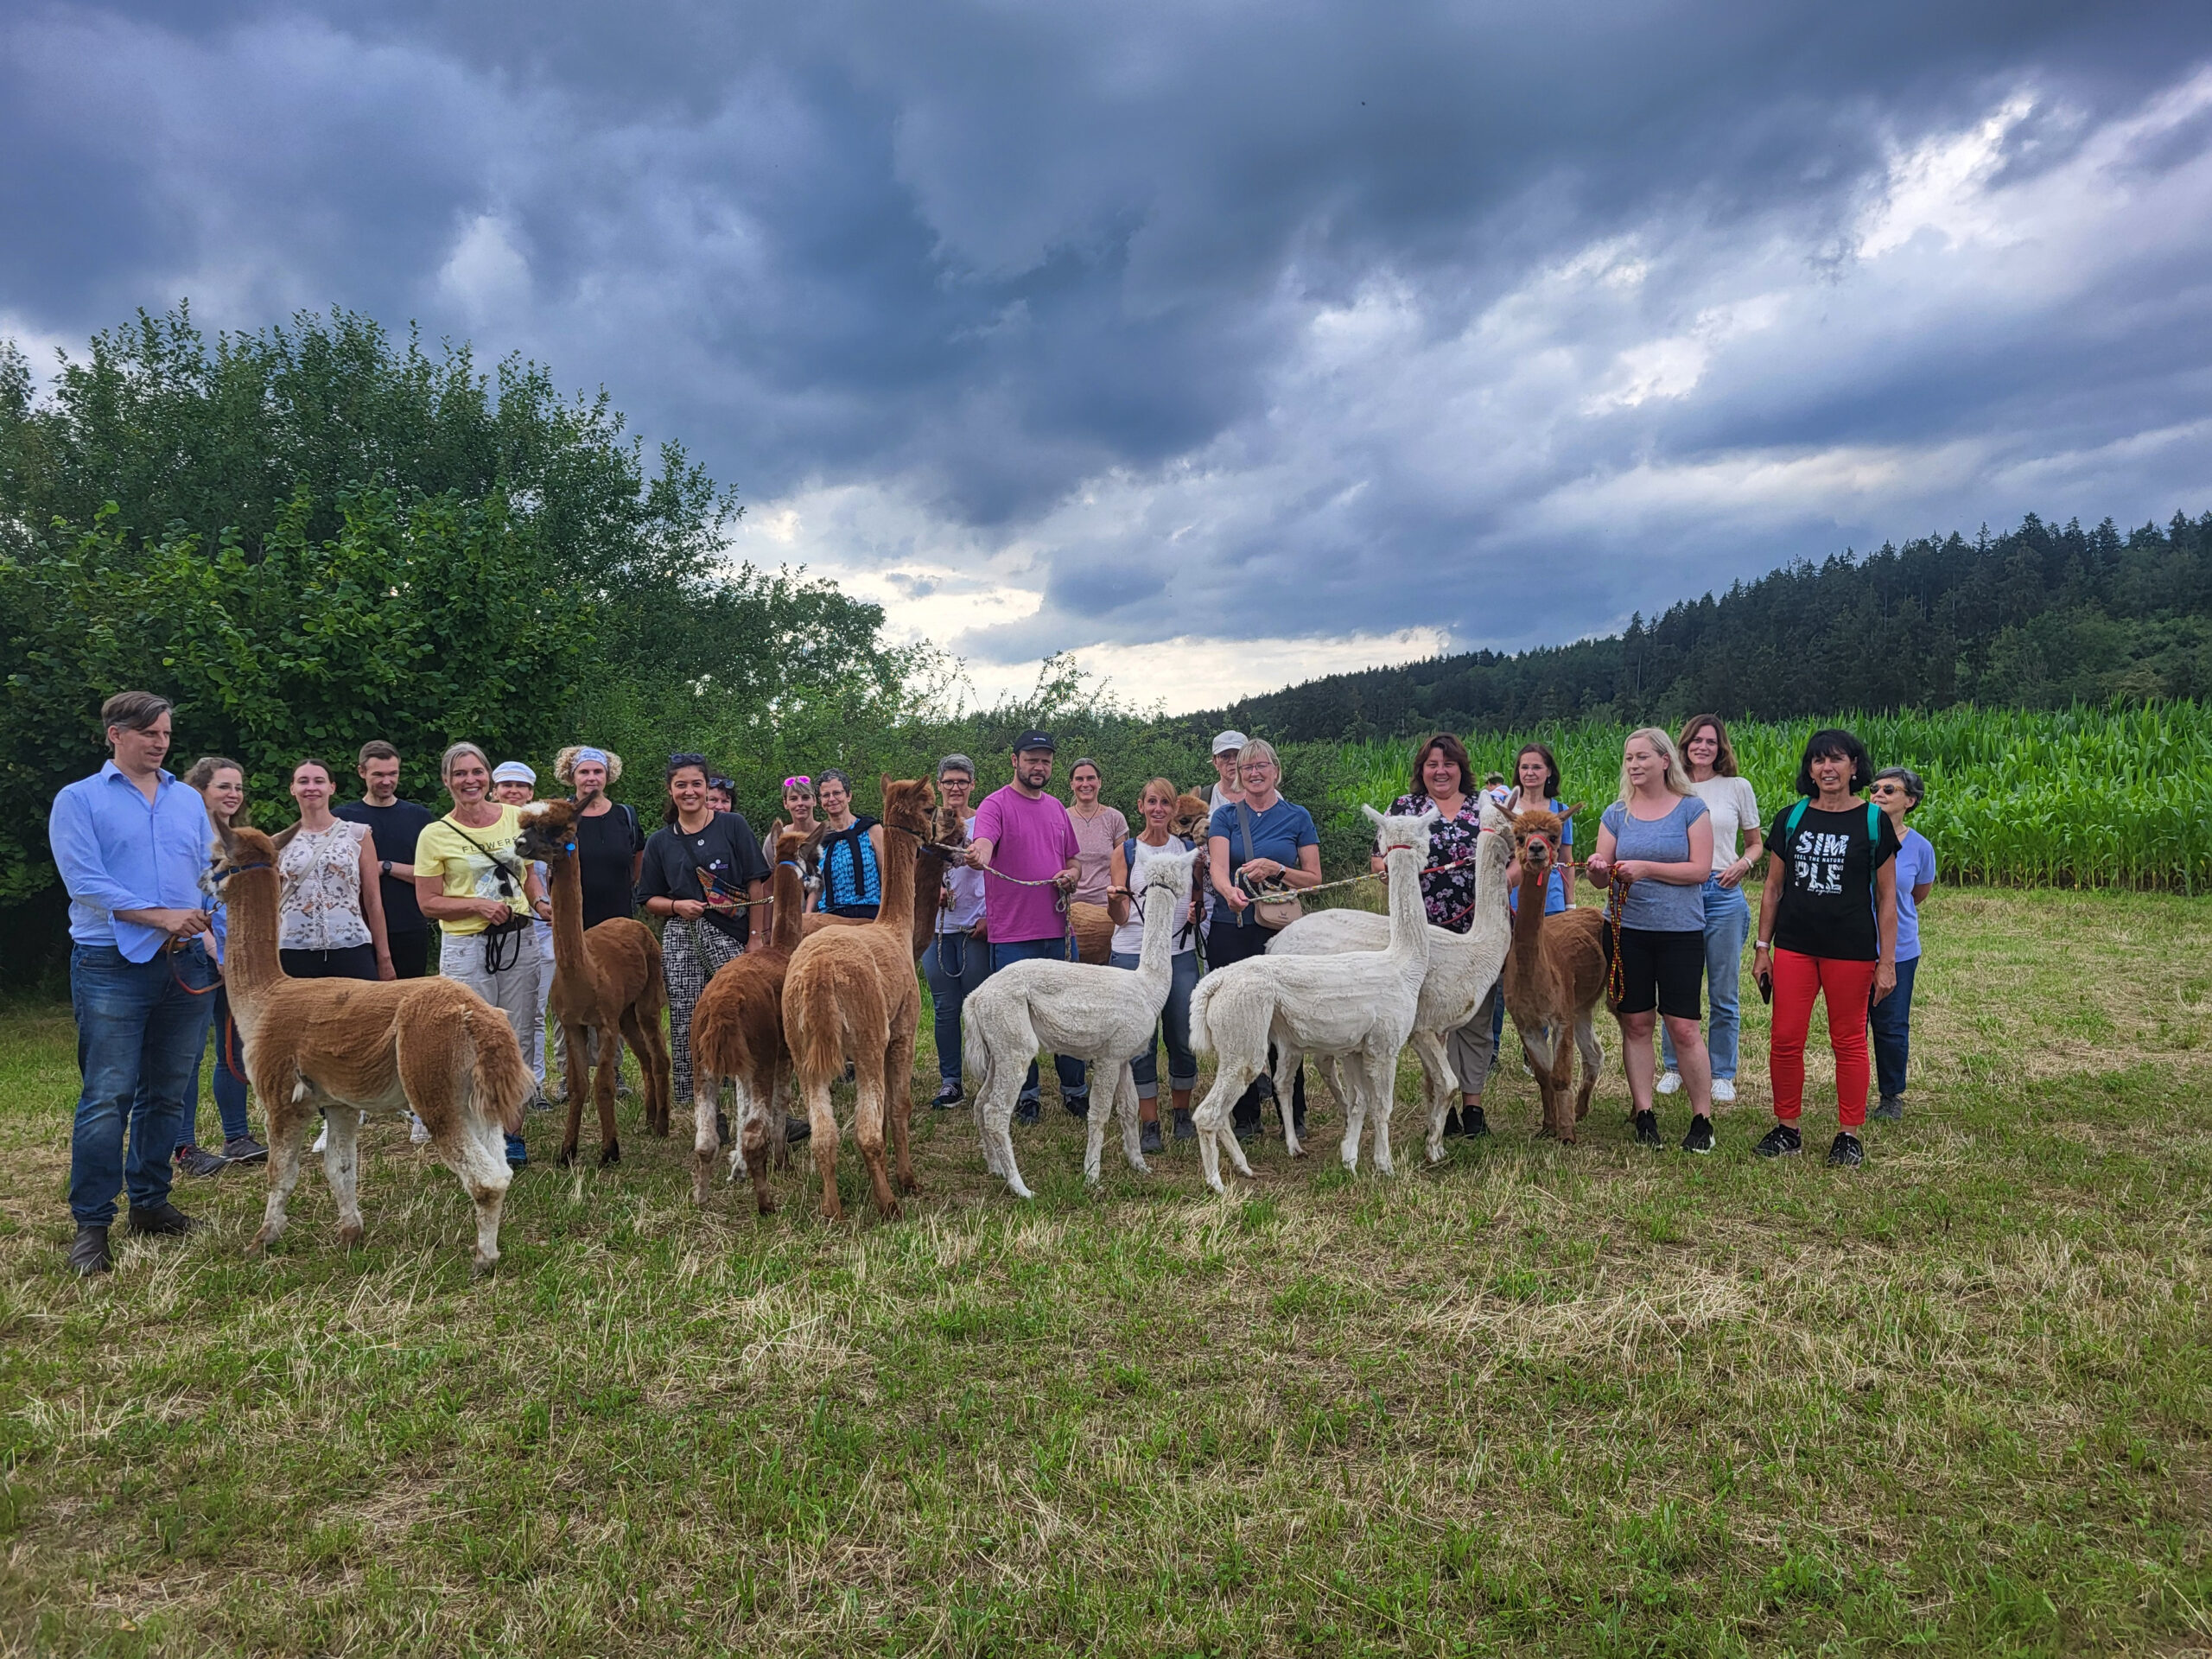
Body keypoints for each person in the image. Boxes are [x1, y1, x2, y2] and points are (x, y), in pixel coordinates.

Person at [48, 691, 219, 1274]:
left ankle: (150, 1203)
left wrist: (213, 934)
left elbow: (206, 875)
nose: (160, 742)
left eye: (166, 733)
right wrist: (159, 914)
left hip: (186, 961)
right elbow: (85, 882)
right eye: (149, 733)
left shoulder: (188, 801)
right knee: (108, 1096)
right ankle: (92, 1224)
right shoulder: (79, 800)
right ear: (115, 735)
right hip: (110, 964)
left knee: (168, 1092)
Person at [1752, 728, 1900, 1167]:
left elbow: (1887, 898)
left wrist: (1887, 962)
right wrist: (1763, 948)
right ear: (1810, 769)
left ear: (1855, 767)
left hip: (1851, 950)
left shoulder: (1873, 822)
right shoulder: (1792, 818)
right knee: (1784, 1038)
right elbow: (1773, 888)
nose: (1827, 768)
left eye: (1837, 759)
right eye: (1818, 760)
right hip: (1796, 946)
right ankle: (1787, 1128)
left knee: (1849, 1041)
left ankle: (1848, 1134)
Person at [412, 742, 546, 1168]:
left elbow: (526, 875)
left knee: (517, 1036)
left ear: (488, 776)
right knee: (466, 1041)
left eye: (477, 772)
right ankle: (472, 1134)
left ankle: (511, 1134)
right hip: (468, 948)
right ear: (447, 781)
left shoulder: (513, 817)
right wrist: (475, 905)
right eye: (460, 774)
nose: (470, 780)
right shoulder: (435, 835)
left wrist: (541, 903)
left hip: (519, 941)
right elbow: (428, 902)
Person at [1586, 728, 1718, 1154]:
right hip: (1626, 931)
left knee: (1683, 1026)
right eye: (1628, 758)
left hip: (1680, 932)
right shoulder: (1616, 814)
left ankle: (1702, 1118)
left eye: (1643, 757)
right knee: (1637, 1022)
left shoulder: (1690, 811)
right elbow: (1598, 877)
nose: (1634, 765)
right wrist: (1597, 869)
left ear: (1665, 761)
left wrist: (1645, 868)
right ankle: (1644, 1113)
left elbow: (1700, 870)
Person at [638, 753, 770, 1118]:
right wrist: (676, 906)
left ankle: (757, 1101)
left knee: (745, 1013)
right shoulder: (660, 842)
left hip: (732, 932)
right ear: (670, 790)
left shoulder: (733, 826)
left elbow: (755, 882)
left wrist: (756, 936)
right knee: (688, 1017)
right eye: (681, 785)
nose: (689, 791)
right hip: (682, 934)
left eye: (696, 783)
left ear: (706, 786)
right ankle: (703, 1108)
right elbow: (648, 898)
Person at [1206, 737, 1322, 1141]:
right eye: (1247, 767)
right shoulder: (1224, 817)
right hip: (1231, 926)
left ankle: (1295, 1108)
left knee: (1286, 1021)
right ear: (1238, 774)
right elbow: (1219, 867)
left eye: (1262, 766)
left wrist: (1277, 868)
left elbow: (1313, 878)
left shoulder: (1297, 817)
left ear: (1275, 770)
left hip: (1281, 932)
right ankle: (1246, 1117)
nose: (1254, 773)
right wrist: (1228, 892)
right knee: (1238, 1022)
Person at [1382, 734, 1498, 1139]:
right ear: (1422, 770)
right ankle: (1440, 1101)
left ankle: (1474, 1105)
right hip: (1421, 930)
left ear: (1461, 768)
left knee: (1476, 1016)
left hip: (1474, 926)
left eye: (1448, 764)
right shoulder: (1405, 808)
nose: (1440, 771)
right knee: (1433, 1020)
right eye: (1432, 764)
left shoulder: (1480, 810)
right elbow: (1380, 855)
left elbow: (1505, 859)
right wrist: (1388, 866)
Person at [967, 731, 1085, 1122]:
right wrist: (978, 854)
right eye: (1032, 759)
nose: (1039, 767)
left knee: (1069, 1015)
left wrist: (1071, 875)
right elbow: (984, 842)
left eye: (1046, 761)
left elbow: (1074, 861)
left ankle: (1075, 1091)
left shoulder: (1056, 809)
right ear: (1014, 761)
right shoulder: (994, 804)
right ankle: (1027, 1095)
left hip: (1058, 931)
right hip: (1013, 934)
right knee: (1017, 1022)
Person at [1657, 715, 1764, 1105]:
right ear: (1683, 746)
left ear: (1721, 749)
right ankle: (1674, 1066)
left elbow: (1755, 843)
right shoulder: (1672, 788)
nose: (1703, 747)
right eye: (1696, 741)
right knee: (1676, 986)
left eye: (1712, 742)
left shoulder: (1737, 787)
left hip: (1722, 891)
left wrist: (1744, 864)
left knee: (1723, 990)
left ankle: (1722, 1072)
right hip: (1680, 892)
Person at [174, 757, 266, 1177]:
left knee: (234, 1047)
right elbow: (190, 901)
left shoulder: (242, 841)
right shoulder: (186, 838)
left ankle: (237, 1135)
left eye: (238, 787)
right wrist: (213, 949)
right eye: (223, 786)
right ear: (200, 789)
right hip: (197, 951)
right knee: (186, 1052)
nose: (233, 794)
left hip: (238, 957)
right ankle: (183, 1146)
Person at [1108, 777, 1205, 1151]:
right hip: (1132, 951)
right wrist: (1115, 901)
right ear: (1141, 806)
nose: (1159, 809)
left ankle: (1182, 1114)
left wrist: (1196, 913)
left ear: (1173, 809)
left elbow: (1194, 898)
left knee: (1182, 1037)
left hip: (1177, 954)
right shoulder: (1127, 852)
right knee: (1140, 1041)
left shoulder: (1187, 851)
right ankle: (1149, 1122)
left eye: (1165, 803)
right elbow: (1119, 915)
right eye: (1152, 802)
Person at [278, 757, 396, 982]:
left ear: (331, 787)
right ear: (293, 789)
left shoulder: (357, 835)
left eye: (319, 781)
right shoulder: (279, 843)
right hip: (294, 950)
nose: (311, 787)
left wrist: (384, 957)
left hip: (350, 946)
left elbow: (373, 901)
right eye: (303, 781)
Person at [922, 754, 990, 1109]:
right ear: (939, 785)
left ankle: (988, 1076)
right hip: (935, 928)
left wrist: (991, 916)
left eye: (962, 781)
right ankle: (951, 1081)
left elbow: (998, 870)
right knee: (945, 1007)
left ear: (972, 784)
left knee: (978, 1004)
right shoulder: (926, 823)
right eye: (949, 782)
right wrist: (931, 888)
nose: (955, 788)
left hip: (974, 926)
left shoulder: (986, 822)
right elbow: (914, 866)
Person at [335, 741, 435, 980]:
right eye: (378, 774)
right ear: (362, 772)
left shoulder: (419, 817)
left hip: (409, 927)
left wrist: (385, 867)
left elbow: (432, 876)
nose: (387, 781)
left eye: (393, 774)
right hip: (357, 931)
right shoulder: (342, 819)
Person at [1867, 766, 1934, 1122]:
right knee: (1849, 1026)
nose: (1878, 794)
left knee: (1891, 1025)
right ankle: (1853, 1089)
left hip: (1900, 950)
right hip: (1852, 947)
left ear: (1909, 801)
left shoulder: (1921, 847)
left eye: (1889, 790)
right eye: (1875, 788)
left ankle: (1891, 1096)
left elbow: (1916, 894)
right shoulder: (1857, 834)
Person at [492, 760, 560, 1105]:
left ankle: (533, 1085)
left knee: (534, 1010)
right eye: (507, 786)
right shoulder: (482, 828)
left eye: (521, 786)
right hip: (493, 930)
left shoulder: (545, 834)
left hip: (541, 931)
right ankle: (496, 1085)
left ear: (532, 793)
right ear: (495, 791)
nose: (514, 791)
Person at [813, 769, 885, 919]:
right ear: (821, 801)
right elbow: (817, 887)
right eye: (826, 795)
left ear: (849, 795)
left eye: (837, 793)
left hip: (870, 914)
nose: (832, 799)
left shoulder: (872, 830)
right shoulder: (819, 839)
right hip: (831, 917)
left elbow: (886, 875)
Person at [761, 775, 821, 944]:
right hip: (788, 923)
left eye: (805, 797)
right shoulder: (779, 839)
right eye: (793, 799)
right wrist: (766, 931)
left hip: (825, 918)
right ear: (785, 803)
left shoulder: (829, 835)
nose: (800, 803)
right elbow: (767, 887)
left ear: (815, 801)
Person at [1065, 758, 1129, 909]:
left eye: (1091, 778)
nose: (1085, 784)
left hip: (1106, 908)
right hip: (1069, 908)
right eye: (1079, 779)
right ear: (1072, 784)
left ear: (1099, 782)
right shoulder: (1061, 818)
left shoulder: (1115, 819)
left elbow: (1124, 866)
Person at [1206, 731, 1248, 813]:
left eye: (1238, 755)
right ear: (1215, 762)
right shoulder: (1206, 797)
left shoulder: (1268, 795)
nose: (1232, 761)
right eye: (1225, 756)